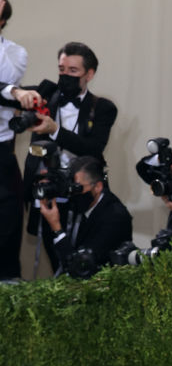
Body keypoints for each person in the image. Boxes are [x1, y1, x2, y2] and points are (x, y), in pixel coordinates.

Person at [22, 41, 118, 271]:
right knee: (54, 256)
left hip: (81, 195)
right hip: (47, 192)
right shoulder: (45, 96)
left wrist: (55, 130)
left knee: (80, 262)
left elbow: (93, 148)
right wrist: (18, 93)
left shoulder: (103, 108)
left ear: (89, 74)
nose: (65, 76)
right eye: (61, 70)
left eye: (73, 71)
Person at [37, 155, 132, 277]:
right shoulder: (77, 204)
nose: (73, 194)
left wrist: (57, 229)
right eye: (71, 187)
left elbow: (81, 267)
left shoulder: (115, 217)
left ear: (97, 187)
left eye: (78, 188)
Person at [0, 0, 27, 280]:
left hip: (2, 151)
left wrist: (13, 91)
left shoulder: (16, 53)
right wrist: (13, 92)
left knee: (7, 229)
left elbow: (5, 82)